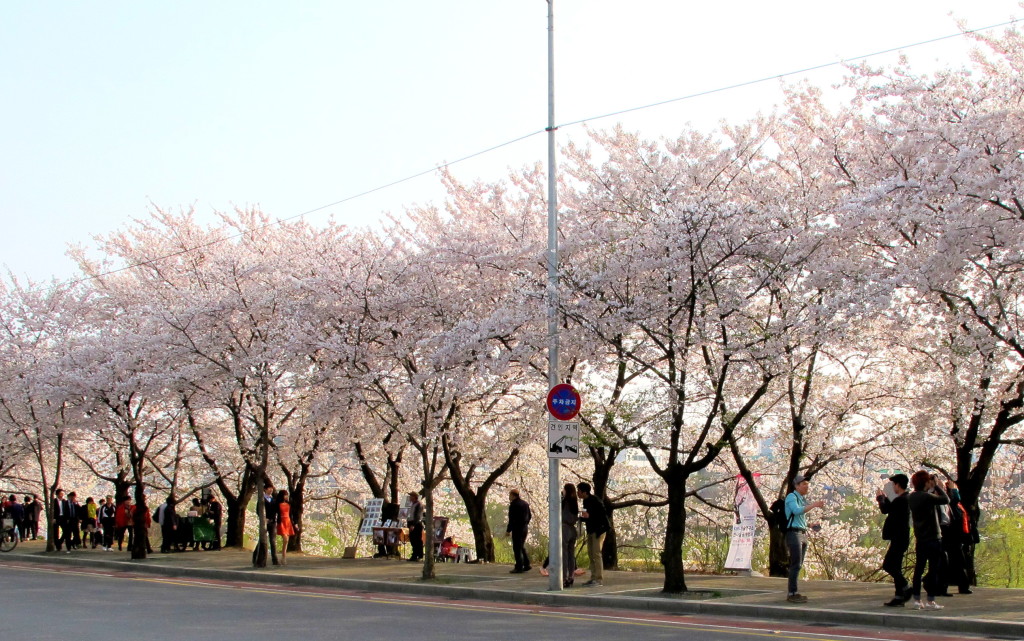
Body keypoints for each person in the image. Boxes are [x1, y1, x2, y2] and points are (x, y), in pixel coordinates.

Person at [907, 470, 950, 611]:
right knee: (933, 570)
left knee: (918, 569)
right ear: (926, 483)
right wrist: (937, 486)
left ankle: (916, 600)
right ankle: (931, 601)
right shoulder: (927, 497)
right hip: (933, 537)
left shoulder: (911, 497)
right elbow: (945, 499)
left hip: (921, 538)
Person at [784, 474, 826, 603]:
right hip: (794, 533)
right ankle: (792, 593)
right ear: (796, 486)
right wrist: (814, 505)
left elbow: (798, 517)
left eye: (807, 484)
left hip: (802, 532)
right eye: (804, 484)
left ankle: (795, 591)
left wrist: (809, 525)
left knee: (799, 564)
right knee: (795, 563)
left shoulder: (800, 498)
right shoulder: (791, 497)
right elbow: (796, 511)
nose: (807, 486)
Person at [876, 473, 912, 606]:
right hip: (902, 537)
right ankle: (899, 596)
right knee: (896, 566)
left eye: (893, 484)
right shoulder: (905, 499)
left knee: (888, 565)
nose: (893, 487)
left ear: (898, 485)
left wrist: (880, 498)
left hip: (898, 537)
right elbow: (892, 509)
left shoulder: (901, 500)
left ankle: (906, 587)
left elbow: (885, 510)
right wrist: (884, 499)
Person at [941, 480, 973, 595]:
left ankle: (962, 586)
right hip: (952, 538)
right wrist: (954, 490)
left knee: (957, 563)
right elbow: (954, 501)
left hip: (957, 538)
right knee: (956, 563)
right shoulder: (949, 504)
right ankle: (962, 586)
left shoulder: (957, 506)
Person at [577, 482, 609, 587]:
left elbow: (601, 516)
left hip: (598, 530)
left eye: (579, 491)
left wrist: (589, 516)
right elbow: (588, 517)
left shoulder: (595, 501)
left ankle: (598, 579)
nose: (578, 493)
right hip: (591, 530)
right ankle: (593, 577)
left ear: (584, 492)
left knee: (596, 554)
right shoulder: (586, 501)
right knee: (591, 554)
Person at [505, 489, 532, 573]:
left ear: (513, 495)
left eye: (510, 495)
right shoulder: (525, 504)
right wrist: (526, 523)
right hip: (524, 528)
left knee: (517, 548)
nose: (509, 497)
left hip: (517, 528)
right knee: (521, 546)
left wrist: (508, 530)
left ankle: (519, 566)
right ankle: (526, 564)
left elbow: (512, 519)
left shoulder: (514, 505)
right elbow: (530, 516)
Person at [252, 484, 279, 565]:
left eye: (272, 489)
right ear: (265, 489)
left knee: (273, 541)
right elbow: (258, 511)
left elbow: (276, 510)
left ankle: (275, 560)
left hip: (273, 522)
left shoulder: (273, 500)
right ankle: (256, 557)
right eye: (269, 488)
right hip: (264, 523)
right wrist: (264, 519)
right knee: (262, 540)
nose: (271, 490)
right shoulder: (262, 500)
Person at [561, 483, 579, 588]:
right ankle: (571, 576)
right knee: (571, 554)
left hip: (565, 528)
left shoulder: (565, 501)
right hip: (573, 529)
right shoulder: (574, 502)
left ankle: (563, 577)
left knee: (564, 554)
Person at [276, 490, 296, 565]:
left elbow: (291, 514)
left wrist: (294, 522)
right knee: (285, 539)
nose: (286, 496)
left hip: (287, 521)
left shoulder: (289, 504)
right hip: (281, 521)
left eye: (287, 495)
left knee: (286, 539)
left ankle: (283, 557)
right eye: (285, 495)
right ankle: (283, 556)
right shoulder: (278, 504)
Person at [405, 491, 424, 563]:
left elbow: (418, 516)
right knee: (412, 540)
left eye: (411, 496)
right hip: (411, 523)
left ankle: (419, 555)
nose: (410, 498)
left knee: (417, 540)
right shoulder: (412, 504)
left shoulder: (419, 504)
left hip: (416, 524)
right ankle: (414, 555)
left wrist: (413, 524)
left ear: (415, 497)